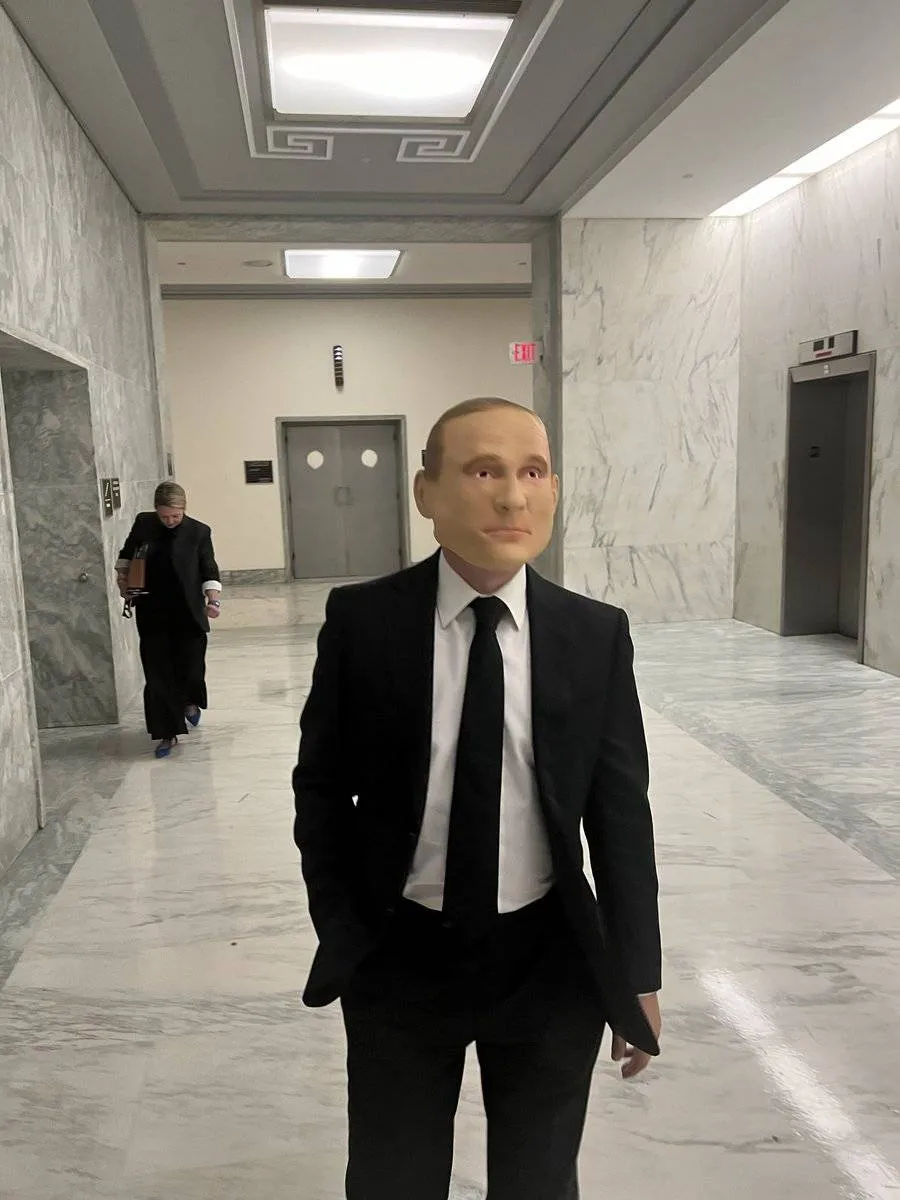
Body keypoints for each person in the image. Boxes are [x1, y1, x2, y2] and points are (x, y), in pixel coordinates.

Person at [293, 397, 662, 1200]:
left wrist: (637, 973)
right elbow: (320, 787)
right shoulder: (363, 623)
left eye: (533, 472)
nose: (512, 497)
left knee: (539, 1178)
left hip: (547, 957)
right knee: (393, 1176)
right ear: (426, 492)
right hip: (399, 952)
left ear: (554, 489)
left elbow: (621, 818)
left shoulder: (593, 635)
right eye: (483, 471)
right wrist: (344, 923)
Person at [116, 482, 222, 759]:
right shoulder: (144, 524)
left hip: (189, 613)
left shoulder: (199, 532)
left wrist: (213, 601)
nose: (170, 521)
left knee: (191, 668)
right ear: (156, 510)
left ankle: (189, 700)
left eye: (175, 515)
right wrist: (123, 581)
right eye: (164, 516)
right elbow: (126, 556)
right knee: (158, 675)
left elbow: (209, 568)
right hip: (153, 611)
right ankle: (167, 733)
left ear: (184, 509)